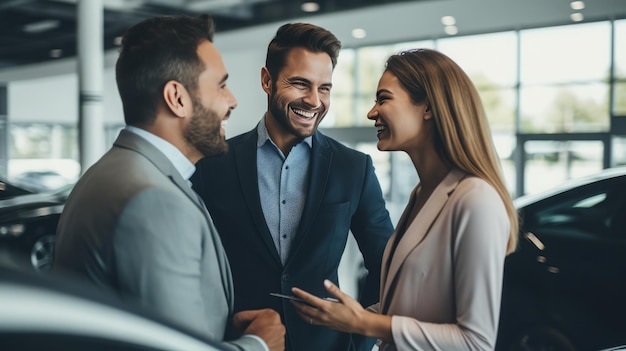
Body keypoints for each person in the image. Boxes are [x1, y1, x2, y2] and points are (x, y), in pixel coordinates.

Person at [53, 15, 285, 351]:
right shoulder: (153, 200)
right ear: (177, 98)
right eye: (221, 85)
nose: (232, 100)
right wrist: (258, 345)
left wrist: (216, 326)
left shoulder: (113, 172)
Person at [289, 48, 519, 351]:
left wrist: (362, 322)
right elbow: (411, 307)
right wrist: (339, 316)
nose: (372, 112)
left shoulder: (476, 201)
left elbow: (475, 341)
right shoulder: (422, 194)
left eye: (384, 99)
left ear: (428, 108)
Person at [191, 23, 394, 351]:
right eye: (300, 84)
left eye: (324, 88)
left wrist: (360, 338)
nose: (314, 101)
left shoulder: (353, 168)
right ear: (267, 80)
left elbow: (387, 267)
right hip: (242, 342)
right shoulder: (213, 164)